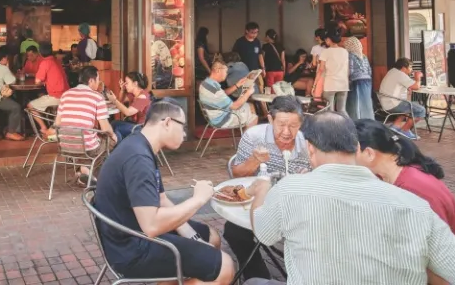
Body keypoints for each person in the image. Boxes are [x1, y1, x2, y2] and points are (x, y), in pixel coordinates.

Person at [247, 111, 455, 285]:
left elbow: (264, 234)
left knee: (252, 282)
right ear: (357, 148)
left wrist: (262, 189)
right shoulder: (415, 205)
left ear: (310, 148)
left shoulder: (289, 189)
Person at [95, 100, 235, 285]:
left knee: (211, 237)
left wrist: (194, 238)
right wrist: (198, 200)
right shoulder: (138, 158)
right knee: (225, 267)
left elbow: (161, 199)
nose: (184, 134)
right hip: (131, 249)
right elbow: (152, 225)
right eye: (183, 126)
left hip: (132, 231)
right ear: (167, 122)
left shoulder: (139, 144)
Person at [225, 96, 311, 282]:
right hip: (261, 201)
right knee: (234, 231)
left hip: (297, 207)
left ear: (301, 123)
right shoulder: (254, 137)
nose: (286, 132)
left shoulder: (307, 143)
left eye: (293, 126)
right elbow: (237, 174)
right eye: (281, 125)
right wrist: (254, 161)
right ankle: (257, 276)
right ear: (271, 119)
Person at [355, 119, 455, 235]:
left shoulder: (414, 190)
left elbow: (436, 239)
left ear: (369, 153)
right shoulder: (391, 174)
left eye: (351, 153)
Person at [55, 66, 115, 184]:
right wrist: (113, 135)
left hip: (64, 146)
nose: (99, 82)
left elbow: (57, 123)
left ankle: (82, 172)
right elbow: (105, 128)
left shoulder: (65, 94)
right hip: (87, 148)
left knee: (91, 138)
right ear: (91, 80)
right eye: (98, 79)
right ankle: (85, 170)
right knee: (111, 140)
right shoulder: (97, 97)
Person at [198, 61, 258, 130]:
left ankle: (246, 130)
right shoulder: (214, 89)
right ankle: (247, 136)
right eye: (226, 72)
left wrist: (237, 85)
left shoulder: (206, 83)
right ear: (218, 70)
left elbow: (223, 93)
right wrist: (248, 92)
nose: (226, 74)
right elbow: (235, 106)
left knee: (250, 105)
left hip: (215, 116)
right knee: (253, 117)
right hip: (223, 120)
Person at [379, 58, 425, 140]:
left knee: (407, 105)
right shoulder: (400, 74)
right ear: (404, 68)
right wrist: (418, 77)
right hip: (393, 104)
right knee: (421, 110)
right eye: (410, 67)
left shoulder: (392, 71)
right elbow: (416, 86)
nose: (411, 69)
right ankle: (405, 130)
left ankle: (395, 126)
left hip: (387, 102)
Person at [28, 43, 69, 133]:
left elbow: (37, 81)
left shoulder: (45, 62)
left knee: (30, 106)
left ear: (40, 53)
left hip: (57, 96)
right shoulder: (56, 60)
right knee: (41, 96)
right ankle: (51, 126)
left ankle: (43, 128)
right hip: (66, 95)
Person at [106, 71, 153, 141]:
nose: (125, 85)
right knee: (114, 123)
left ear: (135, 84)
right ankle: (120, 144)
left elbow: (128, 112)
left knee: (116, 127)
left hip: (142, 128)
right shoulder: (134, 94)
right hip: (134, 123)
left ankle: (119, 144)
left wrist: (115, 100)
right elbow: (120, 101)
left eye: (127, 83)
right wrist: (122, 89)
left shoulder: (143, 97)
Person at [315, 23, 349, 115]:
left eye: (326, 39)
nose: (325, 41)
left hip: (330, 84)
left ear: (329, 39)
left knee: (330, 111)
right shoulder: (345, 51)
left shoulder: (326, 52)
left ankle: (332, 125)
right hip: (343, 84)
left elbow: (321, 70)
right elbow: (347, 69)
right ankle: (348, 123)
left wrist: (315, 84)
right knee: (342, 110)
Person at [343, 36, 373, 120]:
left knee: (356, 102)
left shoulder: (350, 56)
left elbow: (350, 70)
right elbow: (369, 70)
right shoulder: (364, 56)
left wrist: (348, 80)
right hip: (367, 81)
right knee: (366, 101)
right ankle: (368, 120)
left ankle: (357, 120)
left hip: (356, 81)